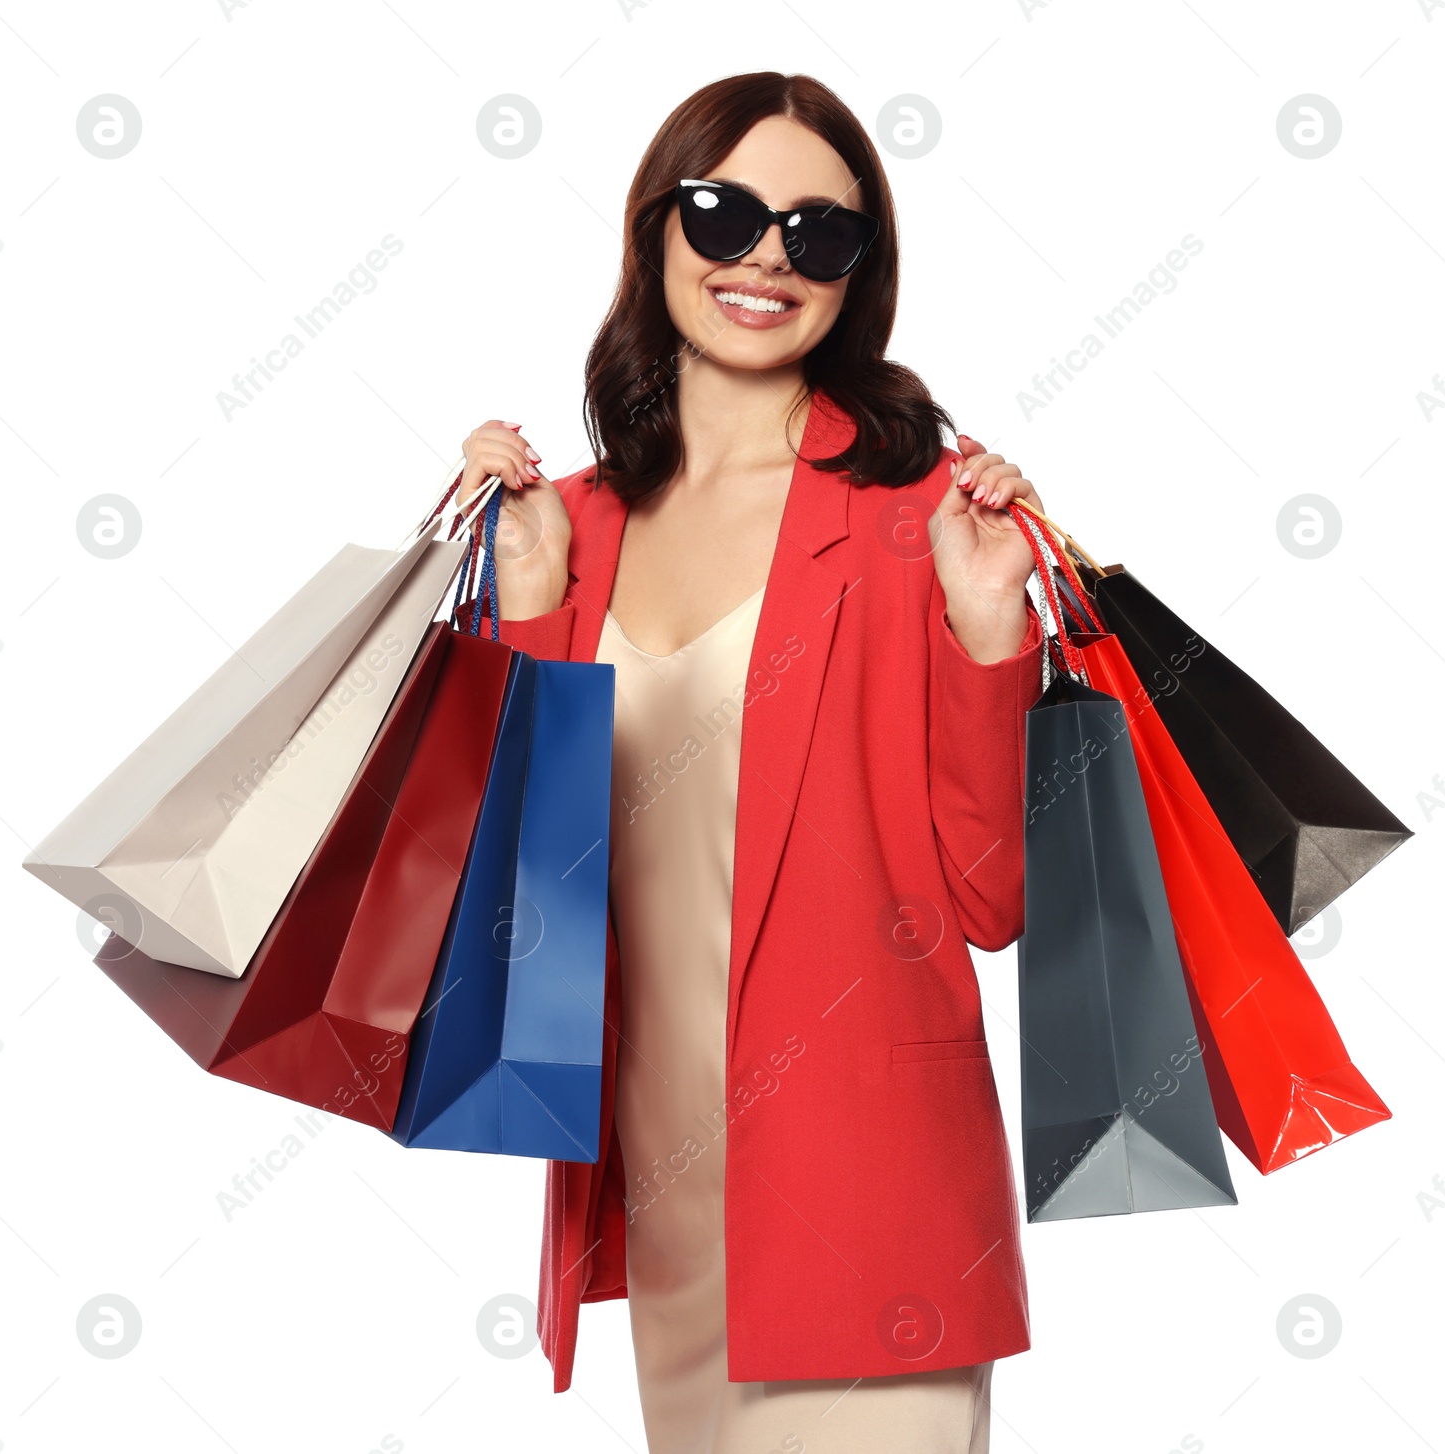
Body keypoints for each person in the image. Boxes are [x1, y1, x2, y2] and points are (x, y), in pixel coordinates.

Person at [452, 70, 1047, 1454]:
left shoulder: (920, 516)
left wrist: (983, 623)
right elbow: (517, 906)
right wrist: (532, 598)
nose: (767, 254)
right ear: (658, 231)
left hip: (866, 1195)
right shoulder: (577, 521)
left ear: (857, 274)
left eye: (818, 232)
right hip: (664, 1196)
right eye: (725, 213)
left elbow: (991, 898)